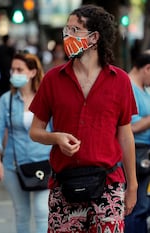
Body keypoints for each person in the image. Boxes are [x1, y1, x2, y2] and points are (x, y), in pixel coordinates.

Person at [29, 5, 138, 232]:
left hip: (109, 183)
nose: (67, 35)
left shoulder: (120, 80)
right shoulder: (52, 79)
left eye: (75, 29)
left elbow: (125, 135)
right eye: (66, 29)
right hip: (64, 184)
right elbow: (35, 131)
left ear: (94, 37)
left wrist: (133, 185)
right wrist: (56, 138)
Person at [0, 52, 50, 233]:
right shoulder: (7, 100)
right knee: (21, 213)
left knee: (42, 211)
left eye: (19, 69)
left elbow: (56, 129)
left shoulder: (45, 97)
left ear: (32, 72)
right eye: (13, 69)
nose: (15, 73)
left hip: (44, 163)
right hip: (14, 165)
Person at [124, 51, 150, 233]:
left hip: (144, 155)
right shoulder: (129, 87)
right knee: (134, 208)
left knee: (142, 207)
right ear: (147, 69)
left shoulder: (142, 88)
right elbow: (129, 127)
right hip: (135, 154)